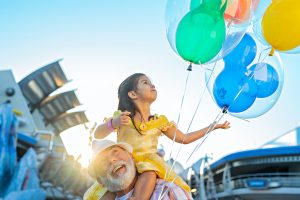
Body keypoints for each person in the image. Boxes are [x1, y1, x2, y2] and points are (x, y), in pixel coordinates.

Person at [90, 73, 230, 199]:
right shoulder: (123, 117)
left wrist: (212, 127)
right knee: (106, 191)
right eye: (145, 82)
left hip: (148, 163)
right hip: (125, 163)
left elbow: (184, 138)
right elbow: (98, 134)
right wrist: (113, 124)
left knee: (150, 172)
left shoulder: (160, 122)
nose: (153, 85)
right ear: (132, 94)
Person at [85, 139, 193, 200]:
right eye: (102, 161)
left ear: (131, 156)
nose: (112, 159)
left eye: (115, 152)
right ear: (100, 181)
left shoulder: (168, 191)